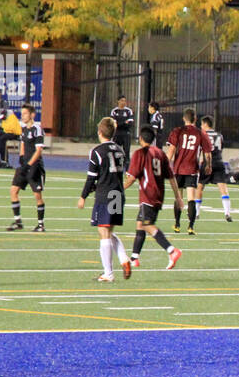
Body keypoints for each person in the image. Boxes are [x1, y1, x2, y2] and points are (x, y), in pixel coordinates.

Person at [77, 117, 132, 282]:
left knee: (103, 232)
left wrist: (83, 196)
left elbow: (91, 178)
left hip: (105, 195)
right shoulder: (120, 150)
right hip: (118, 194)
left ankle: (108, 273)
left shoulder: (96, 151)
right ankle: (123, 259)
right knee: (108, 231)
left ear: (99, 132)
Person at [124, 126, 183, 270]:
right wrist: (178, 197)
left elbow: (131, 178)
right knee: (140, 224)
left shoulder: (139, 153)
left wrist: (120, 187)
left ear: (141, 139)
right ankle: (134, 258)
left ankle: (171, 250)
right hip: (158, 194)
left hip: (147, 195)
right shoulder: (160, 154)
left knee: (146, 224)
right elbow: (171, 177)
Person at [164, 108, 212, 234]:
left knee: (178, 197)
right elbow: (207, 154)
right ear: (195, 119)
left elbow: (171, 151)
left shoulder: (177, 131)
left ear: (184, 119)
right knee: (191, 198)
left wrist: (164, 165)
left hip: (178, 169)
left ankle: (177, 224)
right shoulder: (200, 133)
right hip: (192, 169)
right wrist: (209, 165)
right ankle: (190, 227)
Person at [6, 104, 46, 232]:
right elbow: (22, 144)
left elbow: (39, 150)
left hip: (35, 167)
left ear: (32, 115)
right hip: (24, 166)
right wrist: (22, 159)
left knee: (37, 196)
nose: (22, 116)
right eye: (22, 114)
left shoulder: (37, 129)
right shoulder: (24, 129)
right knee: (13, 191)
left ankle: (41, 225)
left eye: (25, 114)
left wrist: (29, 165)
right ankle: (18, 222)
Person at [196, 115, 233, 222]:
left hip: (207, 162)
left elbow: (201, 149)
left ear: (206, 124)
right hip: (219, 162)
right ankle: (227, 213)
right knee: (223, 188)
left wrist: (200, 160)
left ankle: (197, 213)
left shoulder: (202, 134)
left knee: (200, 187)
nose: (201, 126)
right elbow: (221, 148)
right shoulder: (219, 135)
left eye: (202, 124)